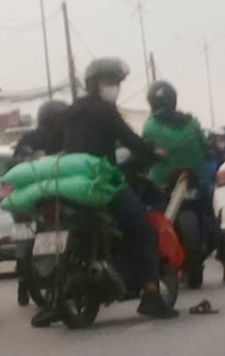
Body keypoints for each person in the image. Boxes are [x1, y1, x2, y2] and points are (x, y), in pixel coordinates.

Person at [29, 57, 178, 326]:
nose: (114, 87)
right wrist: (154, 154)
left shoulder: (70, 112)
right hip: (101, 185)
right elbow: (132, 142)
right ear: (93, 84)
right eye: (110, 82)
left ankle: (54, 301)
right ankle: (151, 295)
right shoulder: (106, 111)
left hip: (69, 187)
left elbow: (51, 146)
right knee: (143, 229)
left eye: (116, 82)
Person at [142, 80, 225, 287]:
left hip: (162, 186)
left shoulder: (150, 126)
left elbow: (144, 154)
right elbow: (206, 149)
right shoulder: (192, 123)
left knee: (149, 223)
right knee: (213, 218)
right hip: (196, 182)